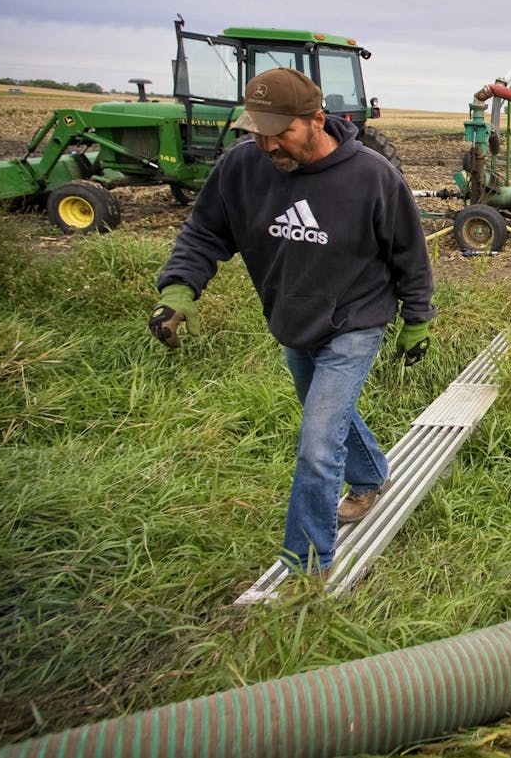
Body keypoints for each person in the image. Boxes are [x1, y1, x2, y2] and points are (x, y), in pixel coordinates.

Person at [149, 67, 435, 574]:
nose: (266, 144)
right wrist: (178, 290)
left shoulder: (371, 176)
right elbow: (203, 234)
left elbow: (409, 253)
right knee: (324, 412)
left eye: (279, 132)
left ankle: (306, 568)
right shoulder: (241, 169)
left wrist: (417, 320)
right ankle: (371, 476)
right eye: (257, 131)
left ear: (316, 120)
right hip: (293, 318)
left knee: (317, 442)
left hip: (356, 320)